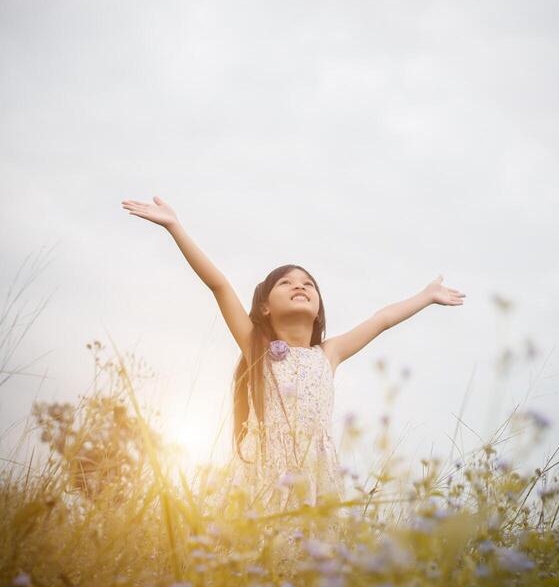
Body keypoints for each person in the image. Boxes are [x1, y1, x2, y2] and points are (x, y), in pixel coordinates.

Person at [120, 194, 467, 567]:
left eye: (308, 284)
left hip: (316, 475)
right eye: (286, 283)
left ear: (318, 311)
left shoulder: (329, 354)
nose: (300, 286)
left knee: (312, 562)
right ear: (265, 306)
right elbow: (219, 285)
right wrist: (175, 227)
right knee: (257, 555)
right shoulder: (257, 347)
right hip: (265, 472)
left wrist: (426, 296)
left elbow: (382, 318)